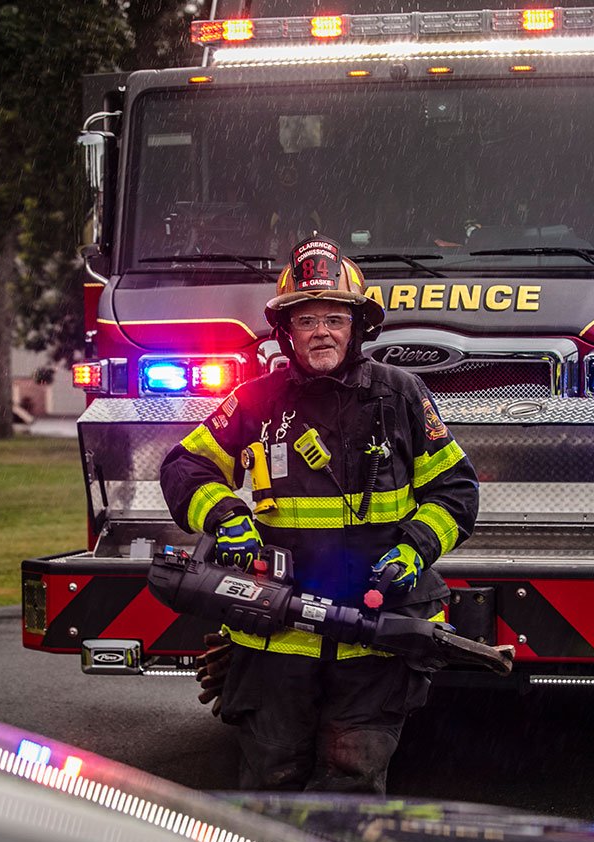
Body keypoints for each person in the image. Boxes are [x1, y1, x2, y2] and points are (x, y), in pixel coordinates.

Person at [160, 233, 478, 794]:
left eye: (335, 317)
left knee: (352, 779)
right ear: (287, 331)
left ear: (358, 326)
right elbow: (184, 466)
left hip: (375, 636)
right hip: (275, 637)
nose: (322, 332)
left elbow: (455, 490)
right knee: (271, 781)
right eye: (307, 321)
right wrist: (227, 516)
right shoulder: (257, 399)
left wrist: (412, 550)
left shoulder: (401, 395)